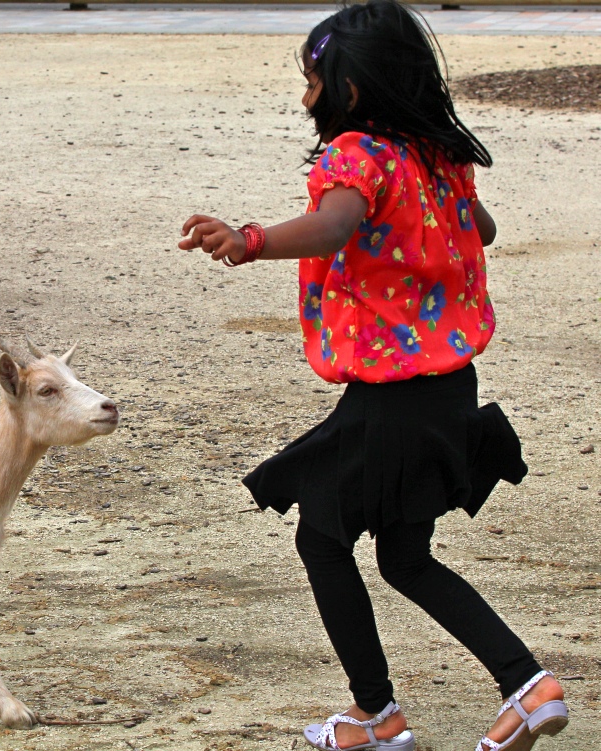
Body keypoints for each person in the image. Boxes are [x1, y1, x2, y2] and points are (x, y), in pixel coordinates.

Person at [177, 2, 569, 750]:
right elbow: (481, 229)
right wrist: (437, 209)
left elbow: (333, 226)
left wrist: (248, 238)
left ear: (350, 93)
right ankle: (527, 685)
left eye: (313, 82)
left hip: (391, 399)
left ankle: (378, 716)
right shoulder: (434, 157)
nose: (306, 99)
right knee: (404, 555)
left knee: (322, 539)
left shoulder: (357, 155)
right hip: (451, 389)